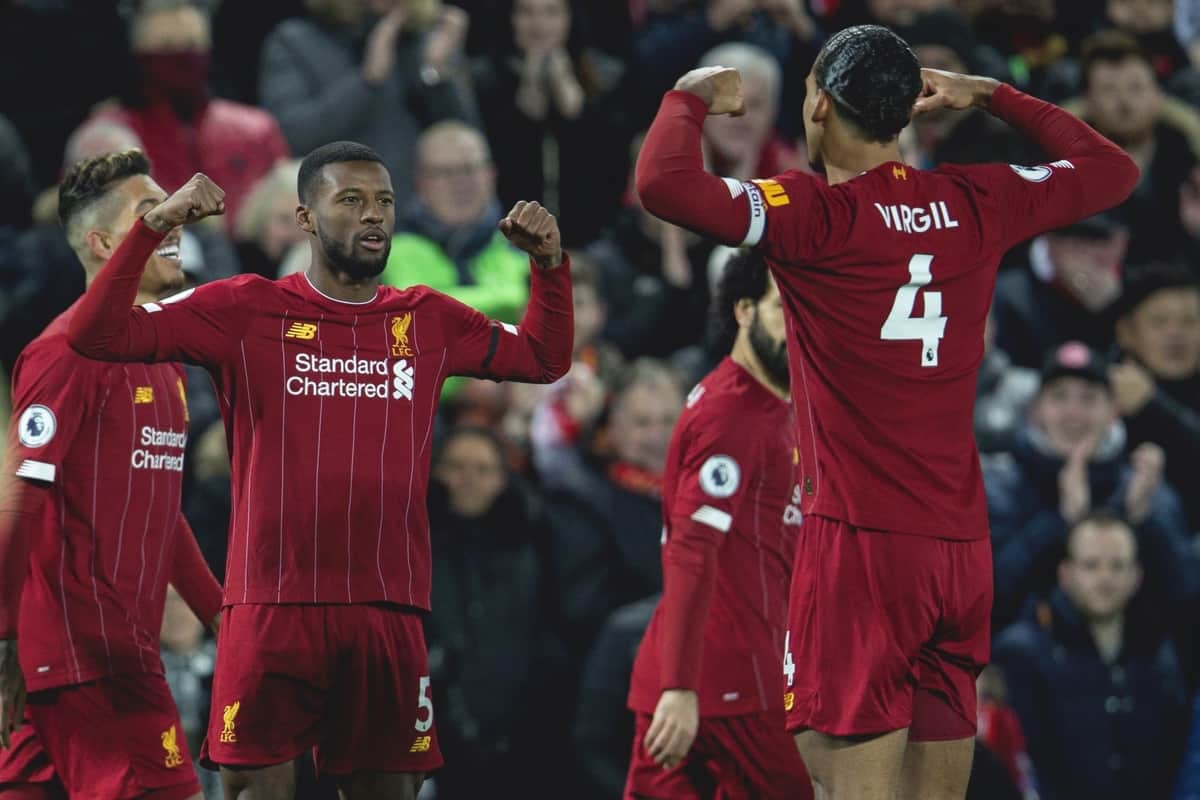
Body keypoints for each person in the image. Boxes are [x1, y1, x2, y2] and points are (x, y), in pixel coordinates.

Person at [635, 23, 1139, 799]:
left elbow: (665, 184)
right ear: (904, 114)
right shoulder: (976, 197)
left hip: (861, 548)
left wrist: (688, 97)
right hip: (963, 550)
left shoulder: (812, 214)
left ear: (821, 108)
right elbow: (1112, 169)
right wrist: (993, 96)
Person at [62, 141, 573, 800]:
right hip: (272, 610)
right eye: (351, 200)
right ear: (305, 218)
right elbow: (95, 334)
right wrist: (156, 225)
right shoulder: (242, 309)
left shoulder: (427, 318)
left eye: (385, 202)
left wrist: (550, 266)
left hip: (388, 612)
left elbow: (542, 358)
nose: (374, 217)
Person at [0, 150, 224, 800]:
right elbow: (22, 499)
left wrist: (221, 617)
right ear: (102, 243)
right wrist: (6, 636)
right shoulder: (64, 352)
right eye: (149, 214)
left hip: (96, 646)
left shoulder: (164, 357)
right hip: (87, 651)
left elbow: (160, 510)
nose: (172, 225)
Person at [624, 249, 810, 798]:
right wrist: (681, 689)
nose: (798, 330)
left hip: (703, 675)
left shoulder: (777, 406)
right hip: (730, 690)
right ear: (745, 311)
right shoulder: (731, 417)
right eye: (784, 311)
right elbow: (691, 549)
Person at [992, 511, 1189, 800]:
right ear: (1066, 574)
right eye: (1091, 565)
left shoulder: (1160, 654)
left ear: (1137, 576)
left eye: (1117, 566)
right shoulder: (1023, 653)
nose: (1105, 578)